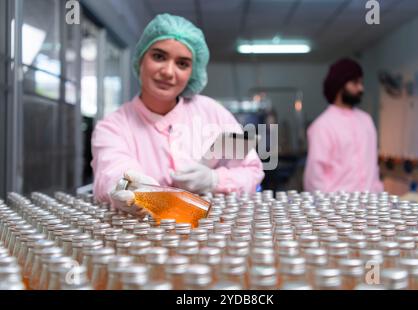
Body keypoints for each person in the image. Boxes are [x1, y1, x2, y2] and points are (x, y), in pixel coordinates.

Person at [91, 14, 264, 216]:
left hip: (210, 234)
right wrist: (131, 188)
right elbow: (113, 171)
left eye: (182, 63)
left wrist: (215, 180)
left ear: (193, 71)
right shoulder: (114, 126)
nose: (168, 72)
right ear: (141, 59)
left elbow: (252, 171)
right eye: (159, 56)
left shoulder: (213, 113)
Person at [303, 58, 383, 193]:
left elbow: (373, 168)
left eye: (361, 83)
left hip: (370, 207)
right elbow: (314, 178)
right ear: (339, 85)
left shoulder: (366, 121)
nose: (361, 88)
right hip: (338, 210)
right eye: (355, 83)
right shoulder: (323, 126)